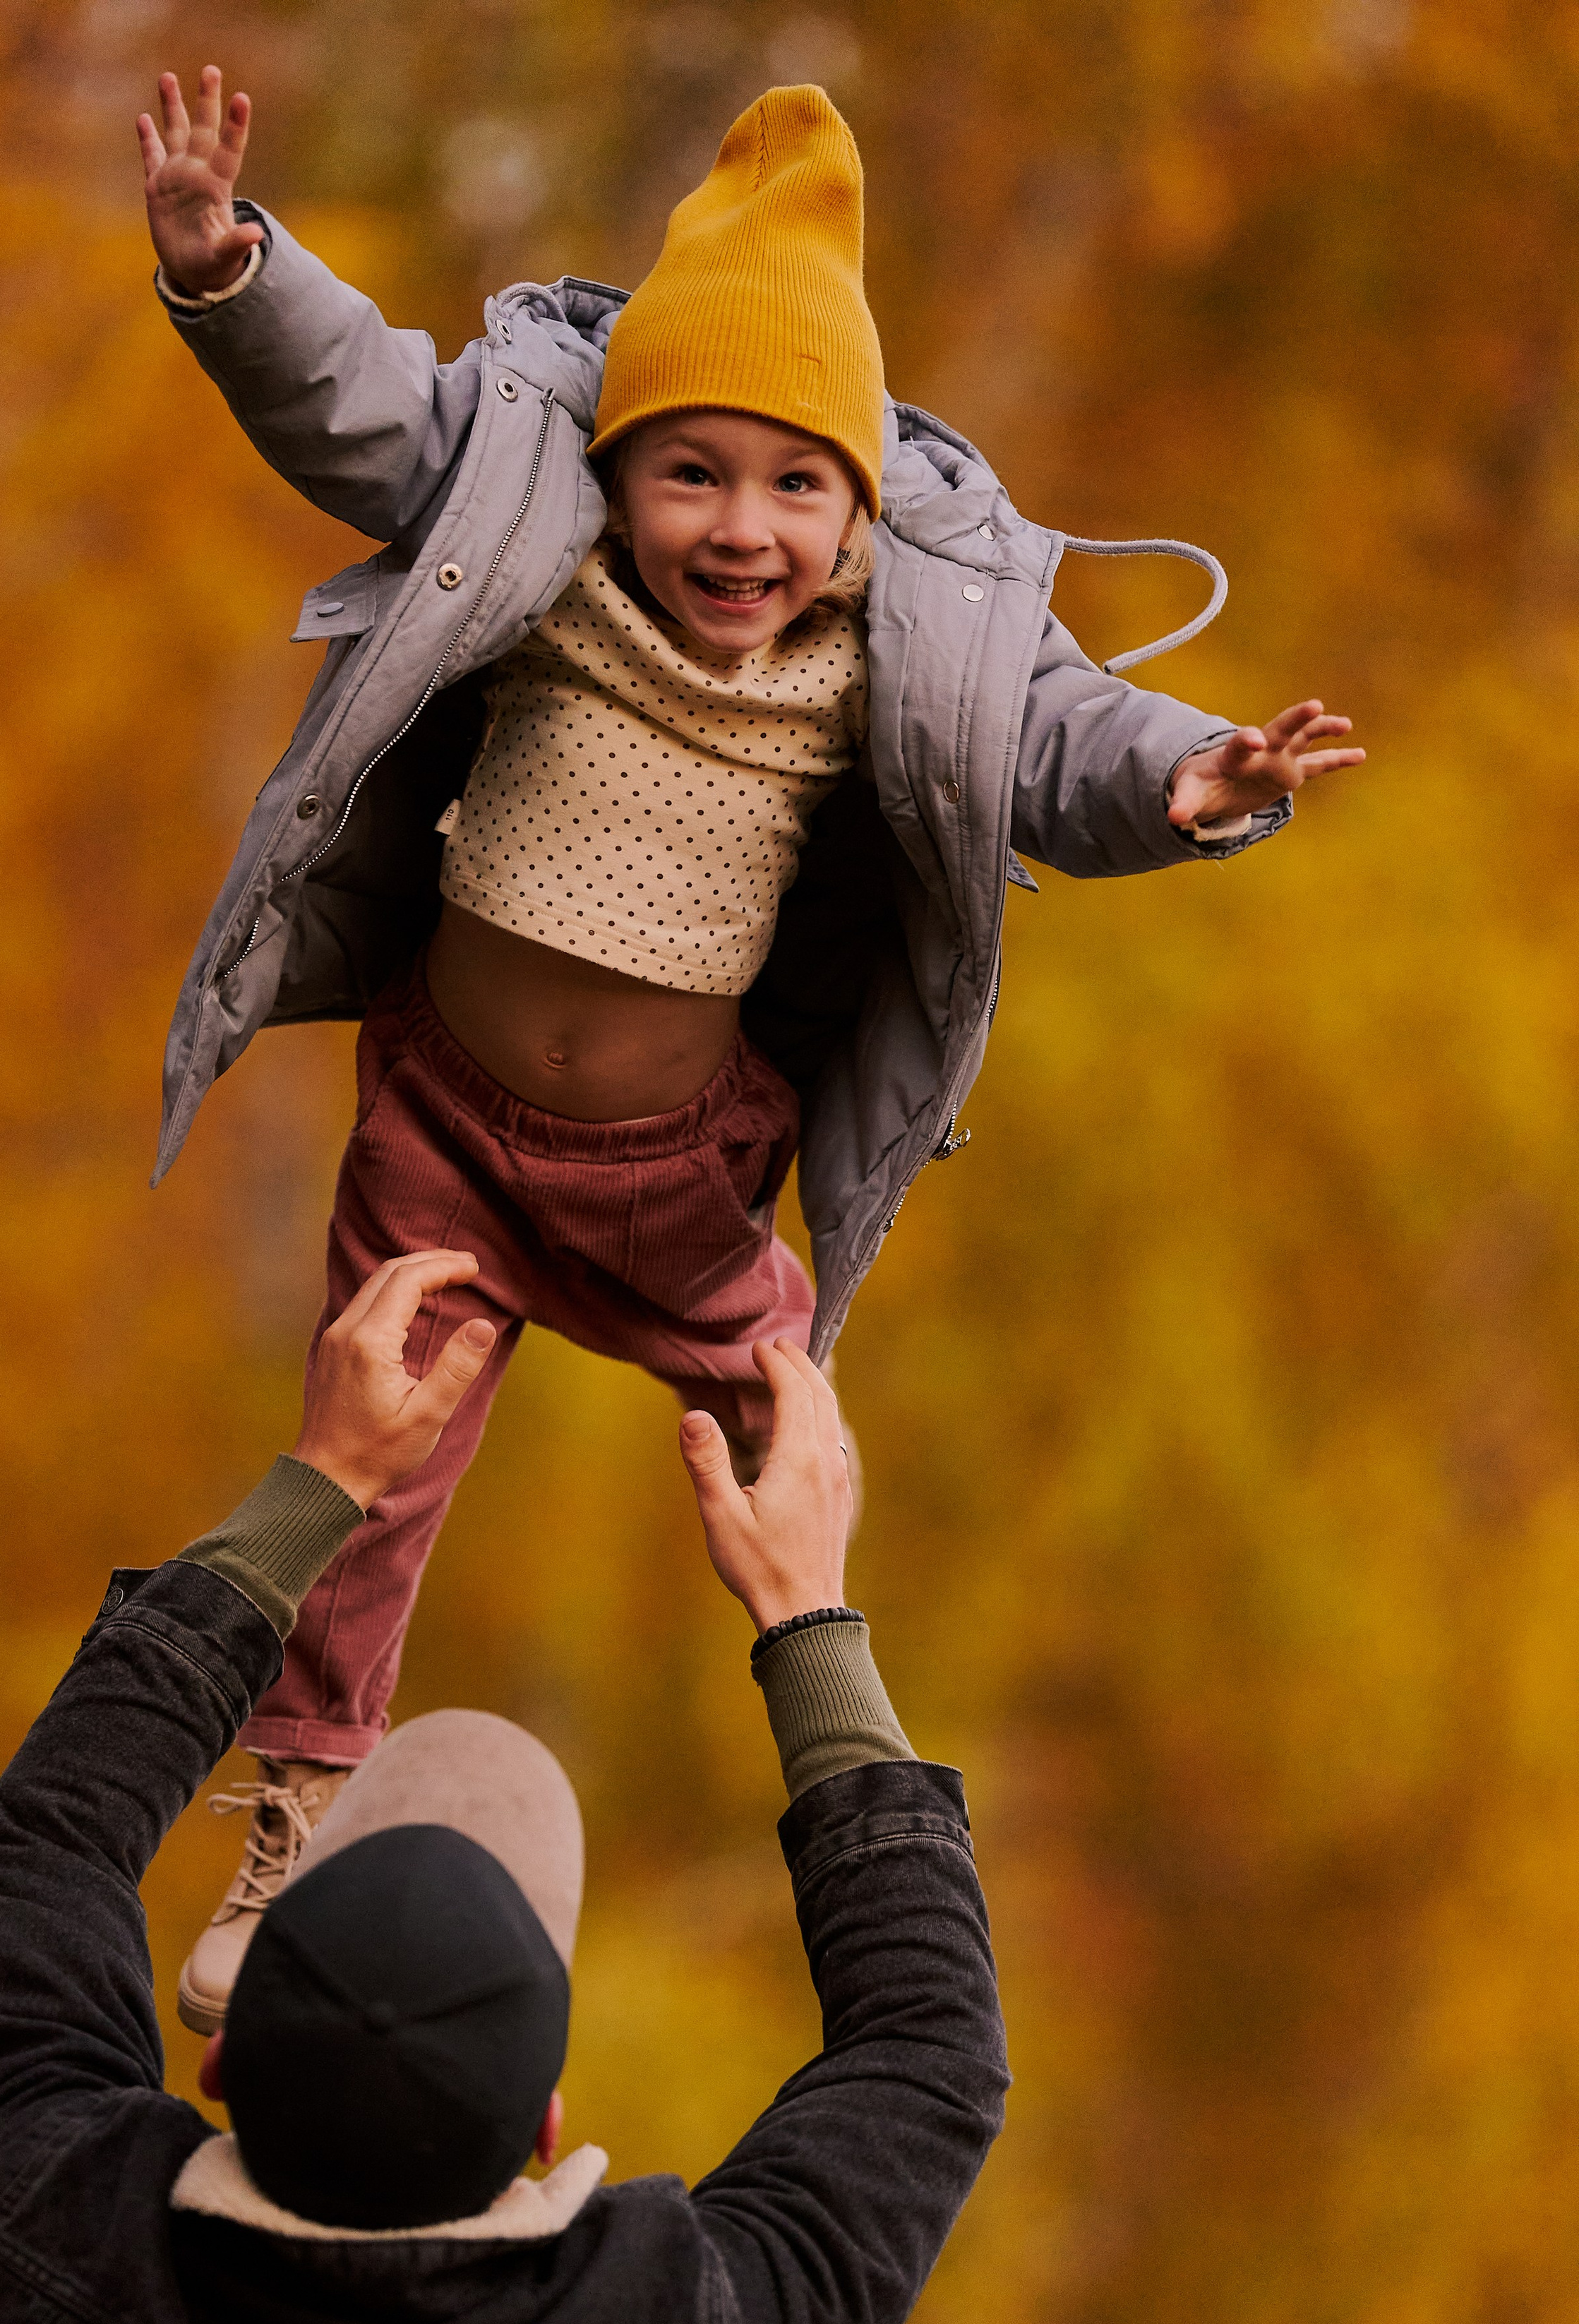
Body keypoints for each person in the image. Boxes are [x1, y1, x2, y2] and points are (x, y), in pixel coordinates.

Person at [136, 68, 1364, 2014]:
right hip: (441, 1131)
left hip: (673, 1180)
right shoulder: (535, 538)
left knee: (787, 1439)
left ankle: (845, 1776)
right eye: (691, 471)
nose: (741, 529)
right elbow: (366, 407)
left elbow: (1059, 744)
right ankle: (294, 1812)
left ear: (858, 504)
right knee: (365, 1466)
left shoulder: (904, 638)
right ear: (619, 473)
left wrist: (1199, 777)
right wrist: (232, 274)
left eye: (797, 484)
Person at [0, 1247, 1008, 2324]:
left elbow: (44, 1861)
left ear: (219, 2060)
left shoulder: (38, 2234)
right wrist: (801, 1606)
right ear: (542, 2128)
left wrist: (321, 1486)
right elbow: (928, 2057)